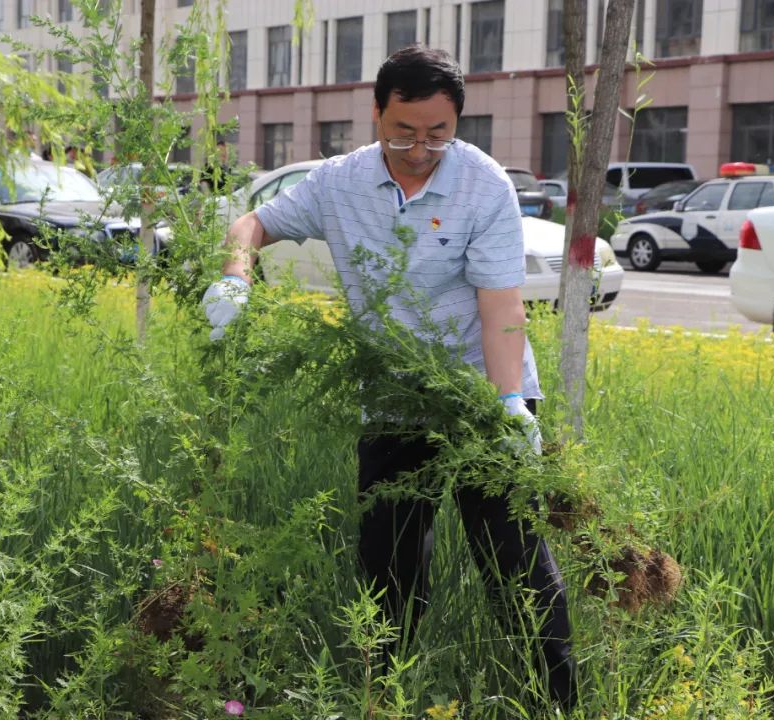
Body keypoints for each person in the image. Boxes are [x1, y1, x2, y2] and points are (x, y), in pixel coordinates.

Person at [201, 46, 577, 709]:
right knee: (389, 566)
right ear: (376, 112)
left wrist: (510, 402)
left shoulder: (484, 186)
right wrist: (236, 273)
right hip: (393, 401)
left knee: (514, 563)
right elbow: (254, 222)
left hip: (481, 396)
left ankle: (556, 701)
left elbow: (501, 310)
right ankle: (387, 697)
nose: (420, 147)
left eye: (438, 132)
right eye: (403, 130)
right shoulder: (338, 183)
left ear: (457, 121)